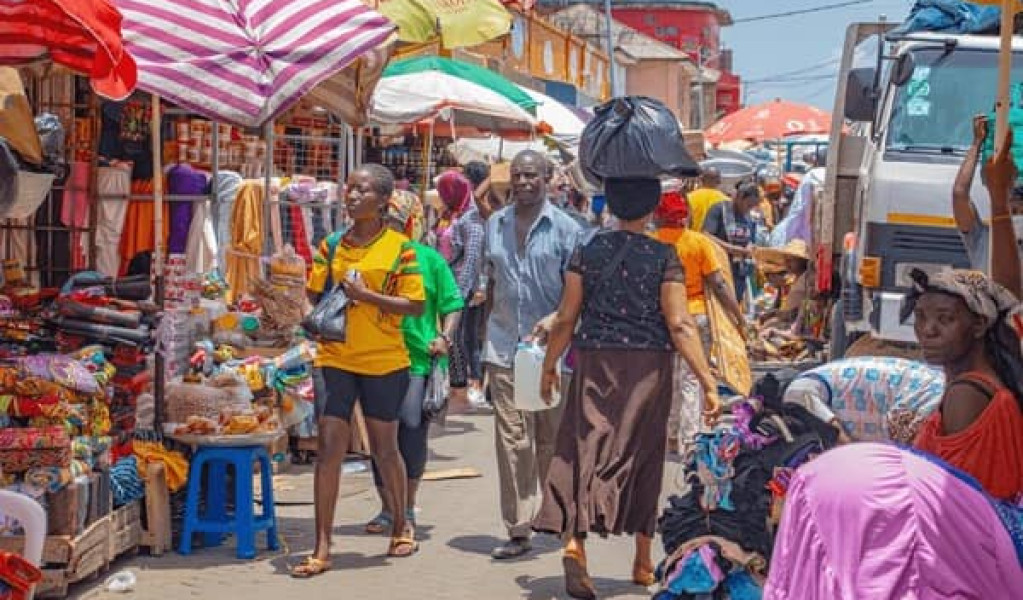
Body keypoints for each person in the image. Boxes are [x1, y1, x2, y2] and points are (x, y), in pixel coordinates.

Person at [765, 268, 1023, 599]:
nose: (928, 330)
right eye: (921, 317)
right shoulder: (979, 384)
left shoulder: (967, 393)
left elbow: (950, 497)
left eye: (945, 319)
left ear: (979, 325)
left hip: (962, 548)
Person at [532, 177, 720, 600]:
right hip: (648, 369)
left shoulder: (588, 251)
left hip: (595, 362)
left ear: (611, 207)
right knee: (642, 454)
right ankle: (641, 560)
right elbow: (679, 324)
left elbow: (565, 317)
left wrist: (548, 366)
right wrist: (709, 383)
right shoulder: (663, 256)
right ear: (652, 209)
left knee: (584, 448)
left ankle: (575, 546)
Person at [293, 164, 425, 578]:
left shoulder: (401, 248)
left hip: (385, 359)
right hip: (335, 357)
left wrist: (366, 296)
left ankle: (401, 523)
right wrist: (308, 320)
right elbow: (311, 293)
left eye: (361, 190)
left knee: (385, 448)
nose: (350, 196)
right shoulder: (331, 245)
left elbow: (415, 305)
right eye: (348, 189)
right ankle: (322, 546)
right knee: (330, 448)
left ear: (383, 201)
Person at [482, 149, 582, 560]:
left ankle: (556, 518)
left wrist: (555, 321)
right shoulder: (494, 225)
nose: (524, 182)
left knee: (551, 439)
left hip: (552, 352)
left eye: (532, 176)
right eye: (518, 176)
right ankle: (519, 528)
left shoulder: (568, 230)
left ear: (547, 179)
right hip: (504, 347)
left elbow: (578, 296)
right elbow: (490, 285)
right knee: (512, 440)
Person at [364, 191, 464, 537]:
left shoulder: (429, 260)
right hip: (371, 357)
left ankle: (406, 505)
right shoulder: (367, 255)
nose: (388, 228)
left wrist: (445, 337)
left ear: (411, 223)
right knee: (379, 437)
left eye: (395, 222)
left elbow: (453, 303)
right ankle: (386, 508)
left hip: (415, 360)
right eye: (384, 220)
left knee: (410, 429)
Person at [654, 191, 744, 452]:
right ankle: (690, 439)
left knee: (668, 376)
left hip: (664, 316)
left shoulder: (651, 241)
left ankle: (670, 436)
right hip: (697, 315)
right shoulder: (699, 242)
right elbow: (718, 282)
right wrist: (736, 314)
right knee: (692, 378)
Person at [782, 356, 944, 445]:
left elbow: (835, 434)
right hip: (933, 384)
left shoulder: (795, 393)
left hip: (920, 398)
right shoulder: (826, 376)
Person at [953, 116, 1023, 296]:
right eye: (1012, 211)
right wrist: (977, 144)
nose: (1016, 218)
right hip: (991, 320)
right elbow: (959, 193)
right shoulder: (981, 239)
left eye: (1019, 211)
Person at [435, 171, 481, 411]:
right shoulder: (448, 216)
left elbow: (471, 258)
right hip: (442, 285)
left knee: (456, 338)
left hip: (458, 289)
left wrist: (460, 294)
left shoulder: (470, 220)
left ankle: (459, 389)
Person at [703, 180, 759, 301]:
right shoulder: (719, 209)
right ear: (739, 197)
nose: (749, 209)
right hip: (719, 269)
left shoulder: (748, 216)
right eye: (748, 205)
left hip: (739, 271)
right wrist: (730, 249)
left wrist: (750, 247)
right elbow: (706, 235)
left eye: (752, 206)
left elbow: (751, 240)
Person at [687, 167, 728, 232]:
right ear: (719, 181)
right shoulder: (726, 200)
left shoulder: (690, 197)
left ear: (701, 179)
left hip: (694, 239)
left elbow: (688, 222)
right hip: (713, 240)